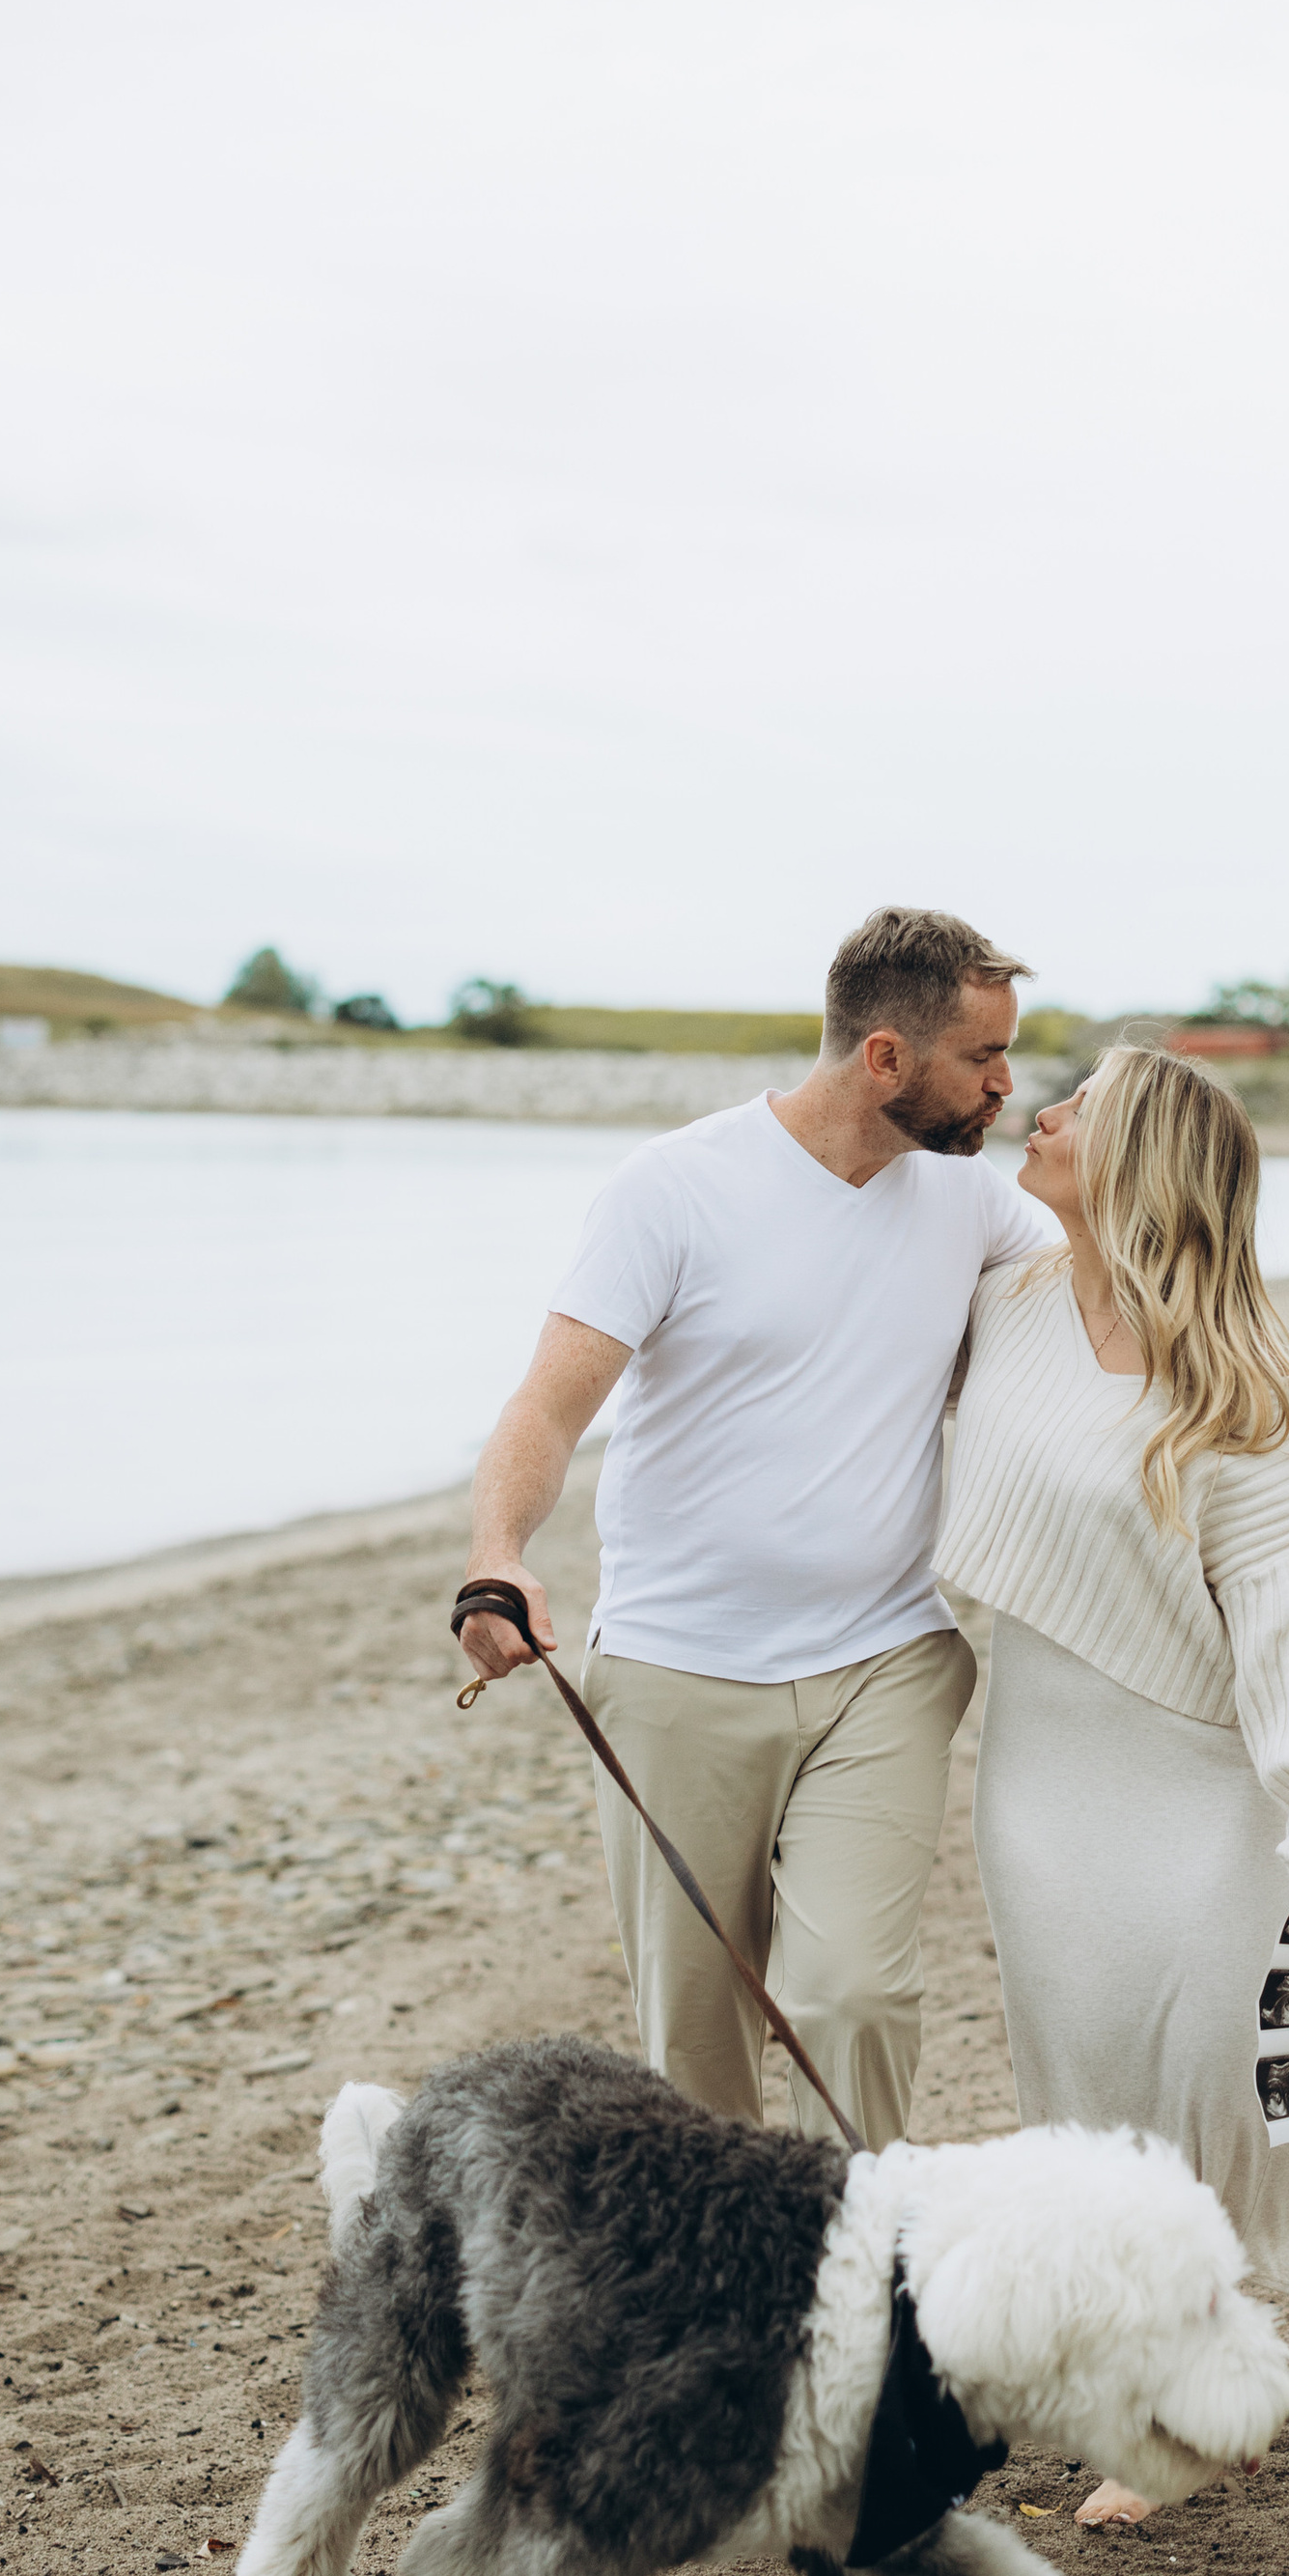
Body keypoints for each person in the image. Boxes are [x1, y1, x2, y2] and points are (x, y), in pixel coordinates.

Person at [455, 907, 1050, 2149]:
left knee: (856, 1996)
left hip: (882, 1664)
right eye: (981, 1057)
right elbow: (548, 1409)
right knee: (697, 2038)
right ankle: (728, 2302)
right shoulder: (675, 1188)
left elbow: (1116, 1317)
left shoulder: (976, 1207)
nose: (1006, 1085)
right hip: (677, 1670)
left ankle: (869, 2272)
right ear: (884, 1058)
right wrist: (498, 1555)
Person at [934, 1043, 1289, 2525]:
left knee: (1202, 2079)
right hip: (1040, 1773)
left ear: (1137, 1162)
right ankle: (1137, 2386)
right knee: (1080, 2094)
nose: (1042, 1114)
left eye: (1078, 1106)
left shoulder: (1240, 1390)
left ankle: (1192, 2394)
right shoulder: (997, 1309)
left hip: (1202, 1779)